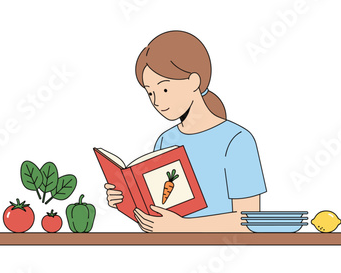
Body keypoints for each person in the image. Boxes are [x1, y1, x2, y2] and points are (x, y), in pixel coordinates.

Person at [104, 30, 267, 232]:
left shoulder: (237, 141)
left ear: (194, 82)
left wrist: (183, 227)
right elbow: (159, 214)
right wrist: (126, 202)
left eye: (164, 89)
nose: (156, 101)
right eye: (150, 92)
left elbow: (249, 221)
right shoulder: (165, 141)